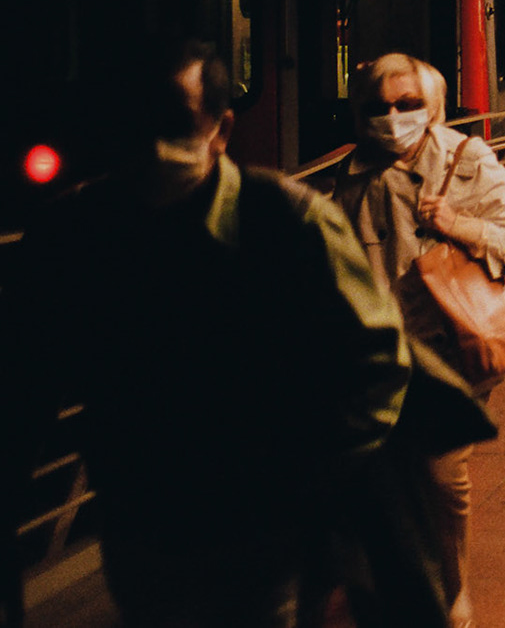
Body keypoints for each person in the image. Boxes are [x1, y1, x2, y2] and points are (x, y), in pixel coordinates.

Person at [26, 40, 413, 627]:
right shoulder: (74, 233)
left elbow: (379, 364)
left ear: (222, 128)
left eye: (174, 122)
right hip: (141, 535)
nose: (153, 144)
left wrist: (310, 479)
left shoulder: (293, 223)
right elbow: (28, 376)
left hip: (270, 538)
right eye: (138, 122)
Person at [333, 53, 505, 628]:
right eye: (378, 107)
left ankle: (453, 592)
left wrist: (457, 224)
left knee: (442, 474)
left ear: (433, 108)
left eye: (407, 105)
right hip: (378, 355)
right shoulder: (350, 178)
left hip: (451, 351)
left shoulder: (466, 160)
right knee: (385, 475)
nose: (392, 117)